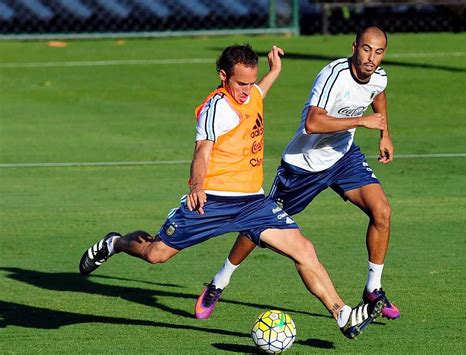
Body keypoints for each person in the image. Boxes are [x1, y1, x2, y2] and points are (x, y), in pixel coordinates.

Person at [79, 44, 384, 339]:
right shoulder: (216, 108)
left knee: (303, 249)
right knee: (156, 254)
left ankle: (343, 314)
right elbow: (202, 151)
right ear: (223, 76)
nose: (247, 90)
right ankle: (115, 243)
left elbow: (259, 91)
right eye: (240, 83)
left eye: (251, 82)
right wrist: (196, 185)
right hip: (211, 202)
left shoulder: (251, 93)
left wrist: (274, 70)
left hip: (252, 202)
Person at [196, 26, 400, 320]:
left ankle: (373, 290)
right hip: (302, 165)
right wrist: (363, 121)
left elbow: (378, 94)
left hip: (343, 158)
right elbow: (312, 124)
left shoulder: (379, 75)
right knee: (258, 226)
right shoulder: (333, 75)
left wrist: (384, 133)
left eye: (378, 52)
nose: (371, 57)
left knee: (382, 211)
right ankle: (219, 281)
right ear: (354, 46)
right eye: (366, 49)